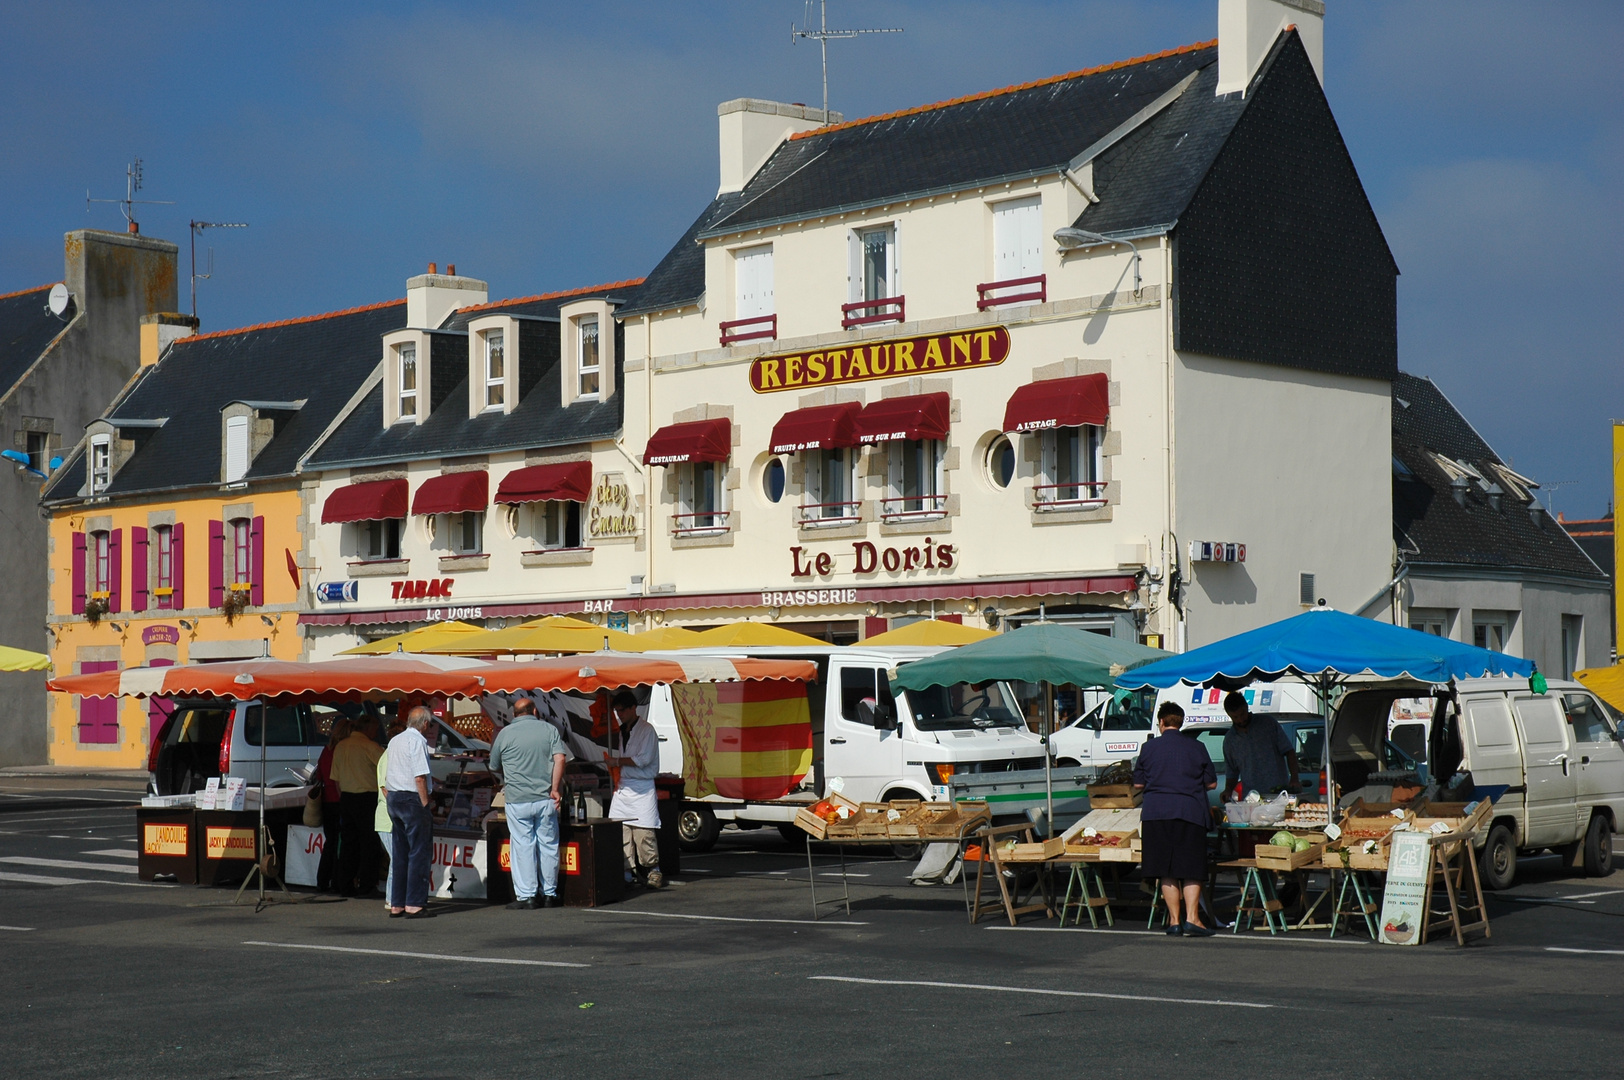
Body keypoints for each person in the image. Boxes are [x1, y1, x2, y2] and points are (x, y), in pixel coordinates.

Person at [1133, 701, 1218, 937]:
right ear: (1180, 722)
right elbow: (1211, 782)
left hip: (1155, 813)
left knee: (1166, 869)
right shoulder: (1197, 747)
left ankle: (1174, 921)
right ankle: (1193, 918)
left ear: (1161, 723)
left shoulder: (1148, 748)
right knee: (1191, 868)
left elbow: (1138, 783)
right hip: (1190, 812)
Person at [489, 697, 568, 910]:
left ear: (514, 714)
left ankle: (527, 896)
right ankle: (550, 893)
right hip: (545, 798)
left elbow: (494, 764)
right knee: (548, 845)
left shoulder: (504, 733)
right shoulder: (549, 730)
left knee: (523, 846)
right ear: (534, 711)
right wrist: (554, 788)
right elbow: (560, 758)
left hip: (517, 799)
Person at [607, 690, 663, 889]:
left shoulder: (647, 730)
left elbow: (643, 760)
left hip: (642, 788)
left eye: (622, 710)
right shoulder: (623, 730)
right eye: (616, 711)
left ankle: (653, 870)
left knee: (644, 834)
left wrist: (617, 761)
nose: (619, 714)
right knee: (622, 833)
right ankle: (627, 872)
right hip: (624, 788)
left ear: (633, 708)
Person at [385, 706, 436, 919]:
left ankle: (397, 903)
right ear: (425, 724)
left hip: (394, 797)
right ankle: (414, 902)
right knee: (419, 852)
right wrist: (426, 804)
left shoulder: (394, 740)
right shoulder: (417, 741)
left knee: (400, 852)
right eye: (430, 724)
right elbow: (419, 777)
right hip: (411, 798)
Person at [332, 712, 385, 898]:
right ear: (369, 728)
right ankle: (367, 885)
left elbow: (336, 780)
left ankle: (345, 884)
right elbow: (387, 767)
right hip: (366, 798)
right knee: (369, 844)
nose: (377, 732)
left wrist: (343, 799)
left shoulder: (341, 746)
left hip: (347, 798)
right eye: (376, 729)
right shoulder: (369, 747)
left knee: (348, 844)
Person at [1221, 691, 1300, 799]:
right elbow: (1232, 772)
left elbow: (1289, 751)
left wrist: (1294, 778)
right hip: (1251, 797)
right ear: (1229, 715)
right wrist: (1228, 790)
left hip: (1278, 793)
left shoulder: (1268, 724)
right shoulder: (1230, 740)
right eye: (1235, 717)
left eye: (1242, 714)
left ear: (1246, 707)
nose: (1240, 719)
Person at [313, 717, 351, 893]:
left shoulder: (326, 751)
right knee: (340, 843)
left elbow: (319, 775)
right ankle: (336, 880)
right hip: (339, 799)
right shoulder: (342, 750)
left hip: (327, 800)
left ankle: (322, 879)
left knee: (330, 842)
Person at [375, 716, 406, 910]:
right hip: (387, 818)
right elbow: (385, 787)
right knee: (397, 858)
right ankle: (391, 898)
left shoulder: (391, 754)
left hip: (391, 816)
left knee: (398, 857)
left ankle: (395, 897)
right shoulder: (388, 756)